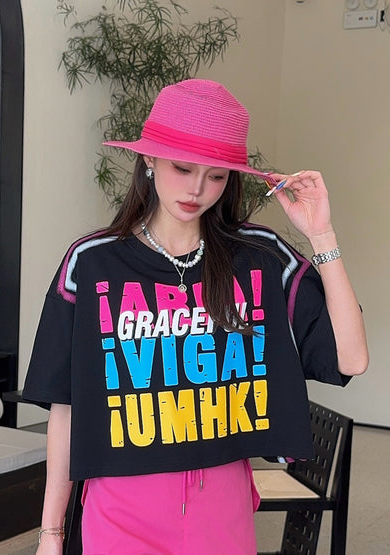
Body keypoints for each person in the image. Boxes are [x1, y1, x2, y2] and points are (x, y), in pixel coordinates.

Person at [23, 79, 368, 555]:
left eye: (217, 176)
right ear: (149, 159)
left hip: (220, 500)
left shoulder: (258, 256)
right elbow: (67, 407)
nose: (197, 190)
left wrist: (322, 235)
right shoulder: (92, 262)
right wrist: (51, 531)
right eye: (182, 168)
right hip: (120, 502)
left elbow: (352, 358)